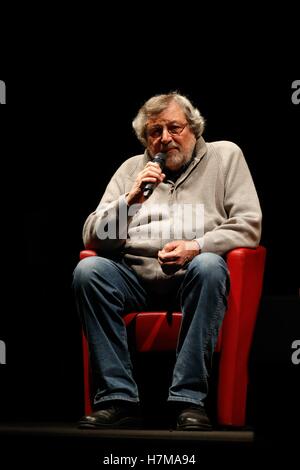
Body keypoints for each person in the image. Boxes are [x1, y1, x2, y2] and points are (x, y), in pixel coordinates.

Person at [73, 92, 262, 430]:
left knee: (209, 266)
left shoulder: (226, 156)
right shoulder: (132, 169)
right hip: (134, 276)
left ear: (194, 128)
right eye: (155, 132)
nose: (165, 139)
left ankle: (189, 400)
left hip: (196, 274)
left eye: (174, 128)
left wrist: (197, 246)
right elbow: (93, 236)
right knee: (89, 270)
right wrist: (131, 198)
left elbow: (248, 224)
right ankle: (118, 399)